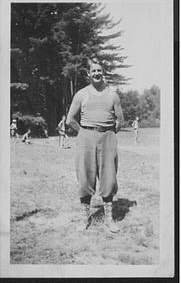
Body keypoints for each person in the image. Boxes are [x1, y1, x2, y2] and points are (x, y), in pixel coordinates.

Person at [66, 58, 124, 233]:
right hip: (86, 138)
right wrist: (85, 132)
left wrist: (108, 133)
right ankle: (85, 218)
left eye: (100, 71)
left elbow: (120, 120)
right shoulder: (81, 94)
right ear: (88, 74)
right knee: (85, 178)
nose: (97, 73)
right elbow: (70, 120)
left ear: (103, 73)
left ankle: (109, 220)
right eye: (94, 71)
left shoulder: (112, 95)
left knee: (108, 178)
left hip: (107, 137)